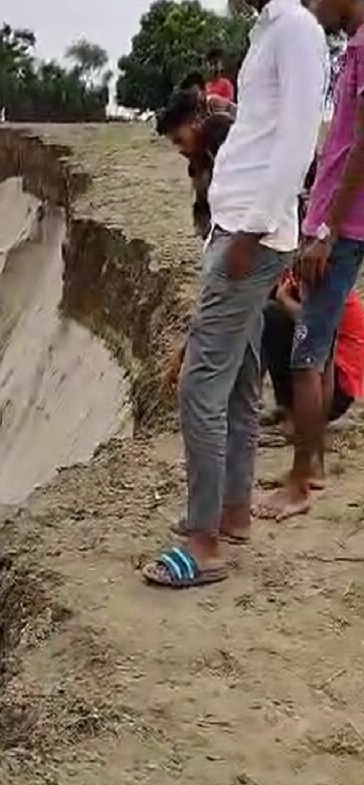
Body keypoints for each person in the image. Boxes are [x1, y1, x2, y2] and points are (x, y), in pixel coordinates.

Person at [144, 0, 327, 588]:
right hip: (242, 229)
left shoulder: (295, 29)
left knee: (202, 383)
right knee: (243, 379)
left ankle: (204, 542)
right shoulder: (269, 28)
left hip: (251, 233)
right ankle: (234, 512)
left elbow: (299, 138)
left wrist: (253, 229)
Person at [255, 0, 364, 520]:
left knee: (308, 353)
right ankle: (311, 467)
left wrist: (326, 229)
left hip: (339, 230)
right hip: (333, 225)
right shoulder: (355, 47)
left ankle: (302, 482)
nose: (313, 8)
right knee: (310, 350)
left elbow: (360, 147)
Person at [263, 269, 364, 441]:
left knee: (273, 316)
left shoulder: (326, 281)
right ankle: (289, 408)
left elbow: (315, 325)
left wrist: (284, 300)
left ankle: (298, 419)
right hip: (328, 374)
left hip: (338, 388)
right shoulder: (297, 276)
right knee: (269, 312)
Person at [156, 87, 235, 237]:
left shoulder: (223, 131)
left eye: (179, 140)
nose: (179, 149)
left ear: (196, 122)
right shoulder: (199, 162)